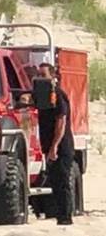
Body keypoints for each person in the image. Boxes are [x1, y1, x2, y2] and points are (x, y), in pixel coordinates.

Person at [35, 62, 75, 225]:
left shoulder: (57, 94)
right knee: (54, 181)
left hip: (61, 146)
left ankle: (66, 217)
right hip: (49, 145)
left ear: (53, 77)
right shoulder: (43, 97)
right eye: (38, 75)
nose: (40, 78)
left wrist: (54, 147)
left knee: (62, 181)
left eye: (43, 75)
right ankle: (58, 214)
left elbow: (61, 120)